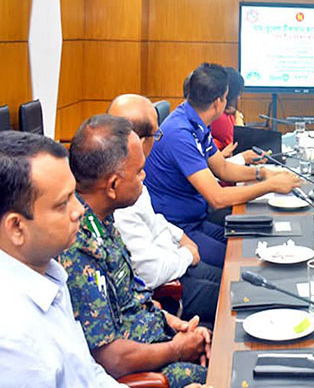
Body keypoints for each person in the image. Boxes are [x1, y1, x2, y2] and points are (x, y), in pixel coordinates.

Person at [59, 115, 213, 387]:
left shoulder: (102, 220)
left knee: (224, 341)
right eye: (139, 171)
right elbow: (109, 358)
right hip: (146, 369)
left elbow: (130, 300)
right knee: (232, 370)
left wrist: (174, 325)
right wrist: (177, 349)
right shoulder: (79, 246)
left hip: (157, 339)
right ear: (113, 185)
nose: (144, 176)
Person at [144, 63, 301, 267]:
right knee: (240, 263)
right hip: (179, 230)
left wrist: (262, 173)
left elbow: (223, 169)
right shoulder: (180, 134)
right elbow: (217, 198)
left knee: (250, 246)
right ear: (218, 102)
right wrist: (270, 186)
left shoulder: (193, 119)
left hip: (197, 220)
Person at [0, 131, 124, 386]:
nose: (79, 210)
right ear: (16, 227)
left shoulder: (46, 272)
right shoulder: (14, 339)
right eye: (62, 204)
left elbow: (87, 374)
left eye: (74, 195)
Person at [108, 94, 221, 325]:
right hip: (170, 284)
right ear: (139, 141)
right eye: (156, 135)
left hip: (176, 257)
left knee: (234, 280)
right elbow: (150, 272)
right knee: (234, 295)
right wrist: (187, 254)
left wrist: (181, 237)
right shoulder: (119, 192)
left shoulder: (132, 175)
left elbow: (154, 219)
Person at [210, 67, 245, 157]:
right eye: (238, 93)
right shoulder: (220, 116)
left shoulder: (228, 112)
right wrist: (238, 116)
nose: (239, 97)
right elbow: (239, 143)